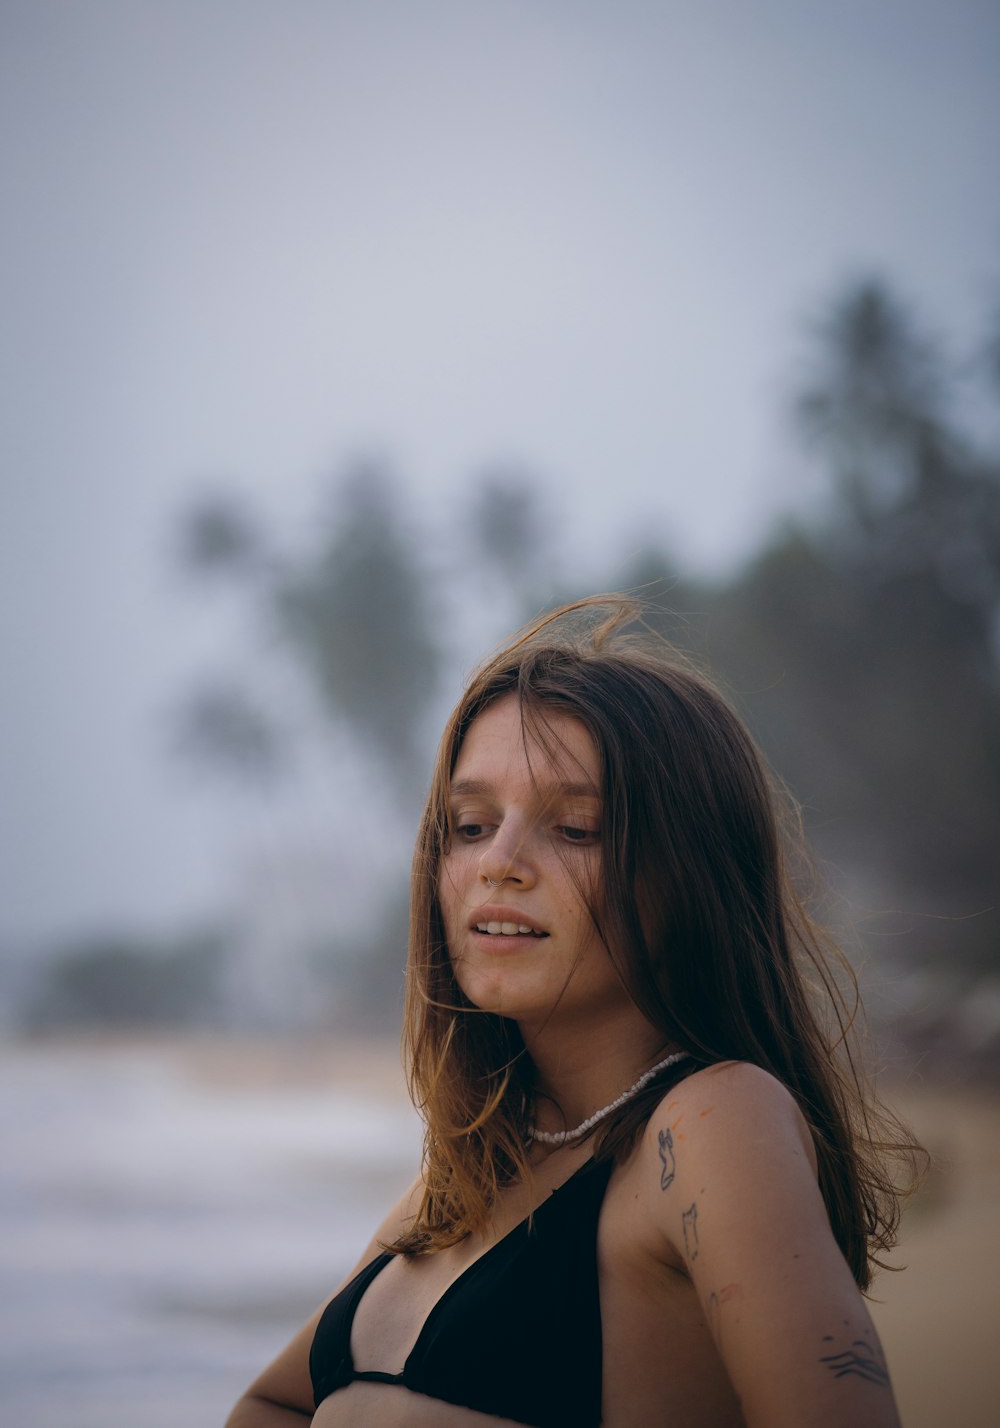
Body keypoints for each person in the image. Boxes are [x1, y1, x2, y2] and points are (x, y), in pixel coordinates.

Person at [227, 595, 921, 1427]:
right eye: (472, 823)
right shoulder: (464, 1179)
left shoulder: (710, 1122)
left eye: (578, 829)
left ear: (687, 879)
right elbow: (269, 1404)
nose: (500, 862)